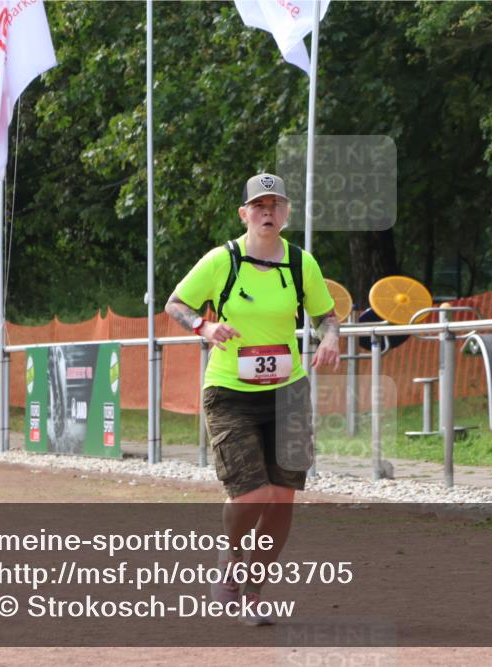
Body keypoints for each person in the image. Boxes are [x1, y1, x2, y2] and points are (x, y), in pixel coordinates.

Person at [165, 173, 338, 625]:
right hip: (230, 393)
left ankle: (253, 590)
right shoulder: (222, 260)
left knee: (281, 498)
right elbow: (176, 304)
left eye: (274, 205)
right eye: (258, 206)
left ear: (285, 213)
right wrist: (203, 328)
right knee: (252, 494)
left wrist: (329, 339)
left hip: (289, 392)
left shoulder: (302, 264)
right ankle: (231, 560)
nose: (266, 212)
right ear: (244, 214)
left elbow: (326, 315)